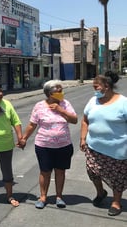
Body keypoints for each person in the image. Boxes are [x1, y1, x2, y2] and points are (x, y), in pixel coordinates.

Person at [19, 80, 78, 209]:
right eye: (58, 91)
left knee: (60, 171)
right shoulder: (39, 106)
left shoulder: (65, 104)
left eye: (61, 90)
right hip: (44, 145)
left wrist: (61, 110)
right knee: (45, 171)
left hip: (64, 145)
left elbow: (74, 120)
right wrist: (24, 139)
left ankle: (59, 197)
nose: (61, 93)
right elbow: (32, 124)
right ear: (49, 93)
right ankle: (43, 196)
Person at [80, 71, 127, 216]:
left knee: (117, 177)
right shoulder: (93, 101)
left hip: (117, 149)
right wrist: (83, 138)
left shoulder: (123, 103)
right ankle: (101, 193)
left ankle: (116, 202)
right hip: (94, 147)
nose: (95, 90)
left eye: (96, 87)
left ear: (106, 86)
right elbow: (85, 120)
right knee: (92, 172)